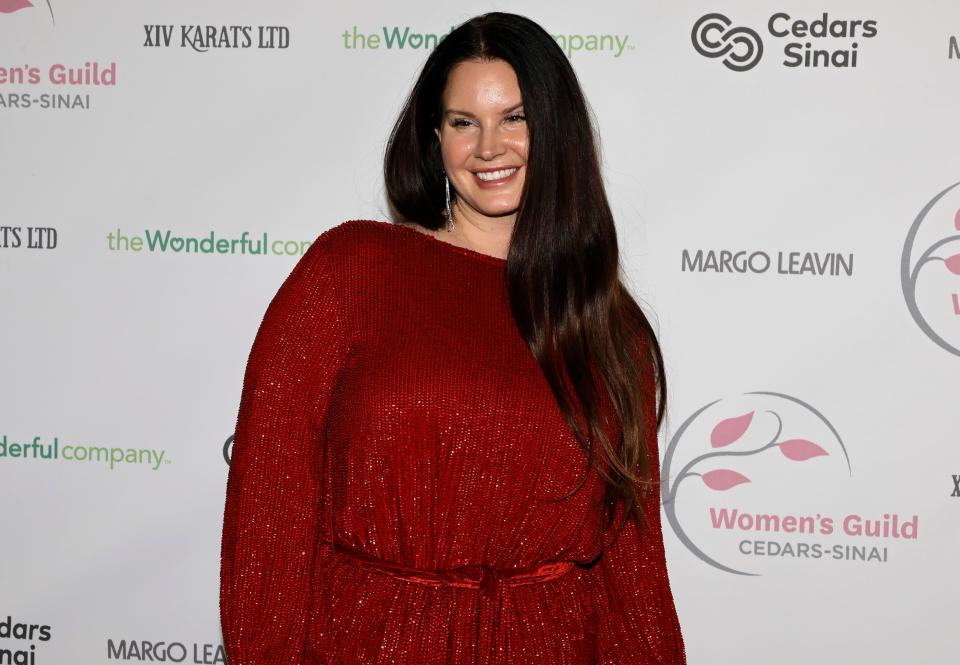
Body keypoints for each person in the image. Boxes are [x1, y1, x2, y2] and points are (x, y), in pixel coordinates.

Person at [220, 11, 686, 664]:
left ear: (557, 131)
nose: (489, 146)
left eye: (515, 117)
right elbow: (269, 509)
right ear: (435, 138)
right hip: (370, 642)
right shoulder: (352, 269)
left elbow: (633, 573)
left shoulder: (608, 325)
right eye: (464, 122)